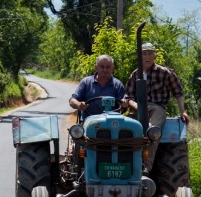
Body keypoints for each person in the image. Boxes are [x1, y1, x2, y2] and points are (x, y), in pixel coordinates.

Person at [125, 43, 189, 172]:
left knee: (152, 132)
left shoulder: (165, 73)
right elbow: (128, 98)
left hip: (157, 107)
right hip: (137, 108)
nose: (147, 57)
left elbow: (178, 93)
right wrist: (138, 107)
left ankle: (146, 167)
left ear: (155, 56)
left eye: (149, 54)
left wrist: (183, 111)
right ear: (140, 56)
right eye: (144, 54)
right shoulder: (135, 74)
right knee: (124, 130)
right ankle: (124, 164)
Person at [69, 54, 127, 121]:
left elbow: (123, 102)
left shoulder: (118, 84)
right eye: (102, 67)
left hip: (112, 124)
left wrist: (124, 103)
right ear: (96, 67)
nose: (105, 70)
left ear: (112, 68)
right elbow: (72, 100)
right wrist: (79, 104)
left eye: (108, 67)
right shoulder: (86, 82)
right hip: (89, 123)